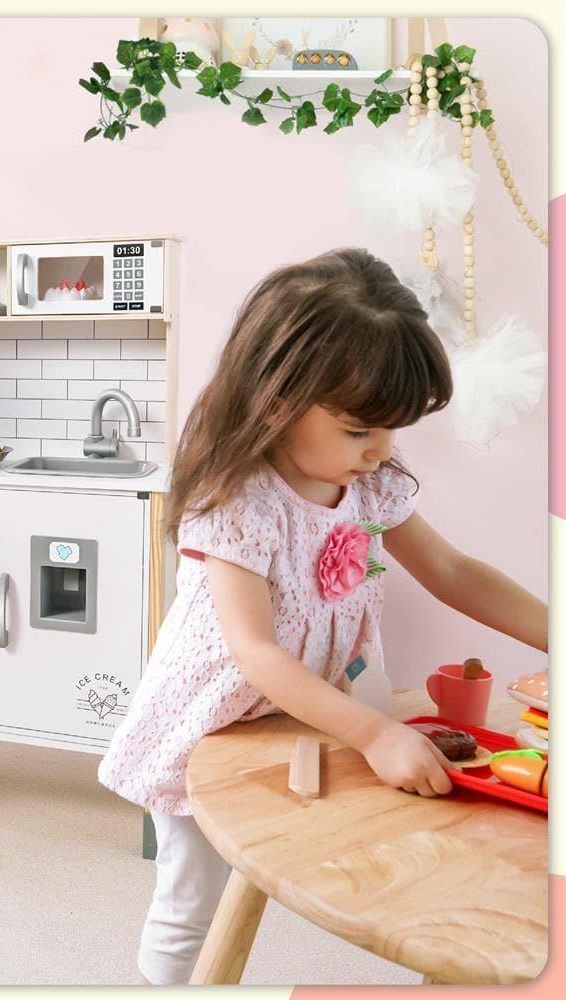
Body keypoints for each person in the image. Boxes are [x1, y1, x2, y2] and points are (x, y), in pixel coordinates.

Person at [97, 248, 548, 985]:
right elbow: (256, 652)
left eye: (391, 432)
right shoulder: (239, 497)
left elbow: (453, 572)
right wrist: (374, 731)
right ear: (277, 398)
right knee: (194, 903)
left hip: (307, 712)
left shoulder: (369, 483)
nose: (379, 452)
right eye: (358, 430)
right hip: (214, 723)